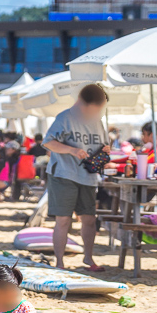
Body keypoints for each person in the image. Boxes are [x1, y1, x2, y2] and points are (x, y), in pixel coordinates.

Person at [41, 82, 110, 271]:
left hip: (87, 175)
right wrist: (72, 150)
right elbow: (48, 143)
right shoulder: (65, 117)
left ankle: (88, 258)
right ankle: (60, 263)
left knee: (89, 219)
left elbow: (103, 146)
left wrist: (105, 152)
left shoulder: (97, 120)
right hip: (63, 174)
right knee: (63, 219)